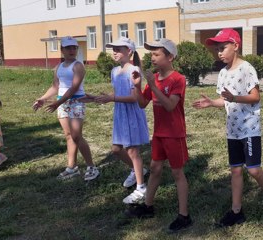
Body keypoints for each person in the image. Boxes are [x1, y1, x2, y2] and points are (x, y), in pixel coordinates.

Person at [192, 28, 263, 226]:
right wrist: (212, 103)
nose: (219, 52)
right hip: (232, 130)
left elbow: (255, 97)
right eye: (217, 49)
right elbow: (224, 100)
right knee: (235, 170)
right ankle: (236, 211)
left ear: (236, 45)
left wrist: (235, 98)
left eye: (223, 47)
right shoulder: (223, 73)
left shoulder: (246, 68)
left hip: (249, 128)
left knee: (253, 170)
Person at [125, 38, 192, 233]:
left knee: (177, 173)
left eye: (156, 54)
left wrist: (153, 86)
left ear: (170, 57)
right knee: (155, 169)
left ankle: (184, 215)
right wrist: (138, 86)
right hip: (160, 134)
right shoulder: (154, 78)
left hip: (174, 134)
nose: (152, 58)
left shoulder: (177, 79)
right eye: (151, 54)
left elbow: (171, 106)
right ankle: (148, 207)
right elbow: (142, 103)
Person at [90, 37, 149, 204]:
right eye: (113, 49)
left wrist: (112, 98)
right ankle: (137, 170)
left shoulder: (134, 70)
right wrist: (97, 97)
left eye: (119, 49)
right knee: (116, 149)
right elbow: (115, 93)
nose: (114, 52)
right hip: (120, 113)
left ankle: (141, 187)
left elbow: (133, 98)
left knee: (133, 151)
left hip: (131, 113)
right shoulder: (114, 71)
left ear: (129, 51)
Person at [33, 36, 99, 181]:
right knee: (69, 136)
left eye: (74, 47)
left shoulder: (78, 66)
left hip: (75, 102)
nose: (72, 50)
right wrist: (42, 99)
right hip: (62, 103)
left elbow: (74, 88)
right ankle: (72, 167)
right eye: (68, 48)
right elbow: (56, 87)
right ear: (62, 50)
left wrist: (57, 103)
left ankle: (91, 167)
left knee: (76, 136)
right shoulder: (58, 67)